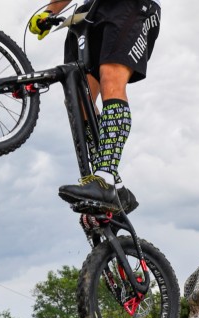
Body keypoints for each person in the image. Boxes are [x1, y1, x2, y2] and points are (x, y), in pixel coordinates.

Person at [29, 0, 161, 215]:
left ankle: (105, 179)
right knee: (78, 97)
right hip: (89, 12)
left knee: (111, 79)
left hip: (130, 6)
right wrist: (49, 12)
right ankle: (114, 188)